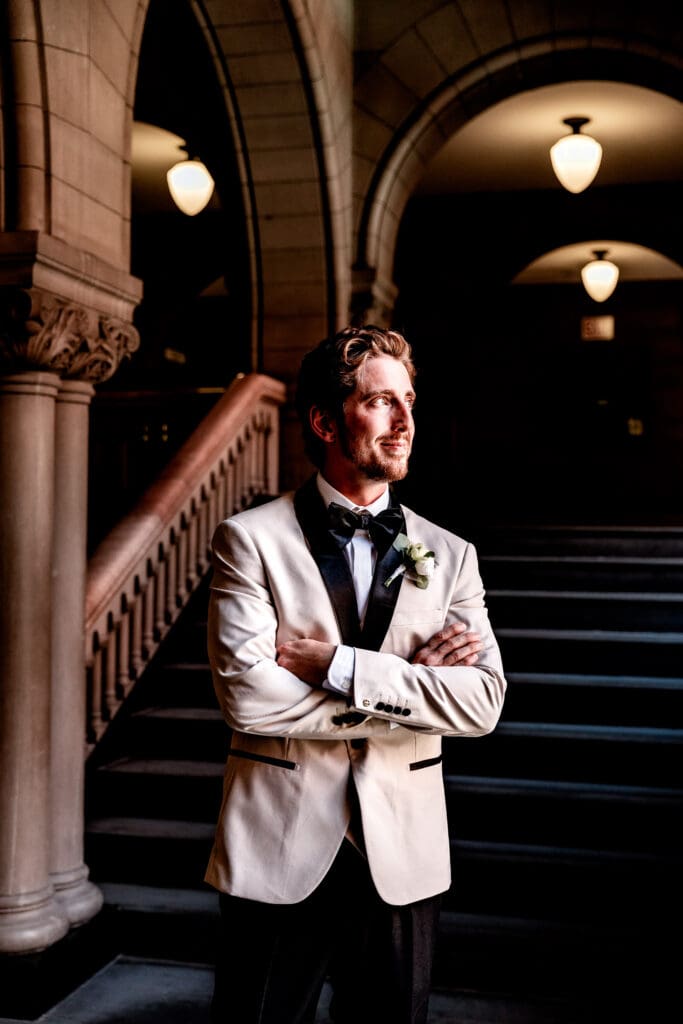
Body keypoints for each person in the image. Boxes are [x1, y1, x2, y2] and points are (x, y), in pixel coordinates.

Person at [206, 325, 506, 1024]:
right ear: (324, 420)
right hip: (277, 843)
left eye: (408, 401)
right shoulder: (249, 540)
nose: (404, 422)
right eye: (380, 403)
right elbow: (248, 701)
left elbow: (482, 702)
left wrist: (338, 667)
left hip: (403, 851)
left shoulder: (449, 554)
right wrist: (412, 686)